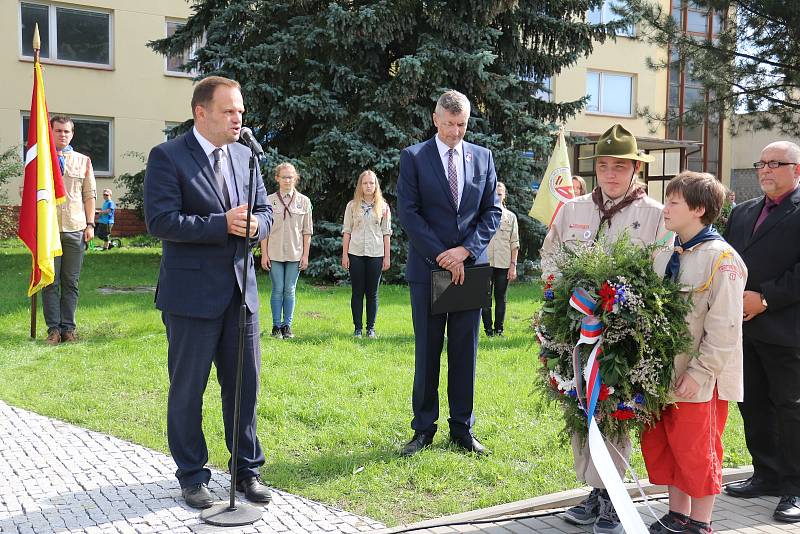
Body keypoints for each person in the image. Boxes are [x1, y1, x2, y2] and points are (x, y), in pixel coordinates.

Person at [143, 76, 273, 509]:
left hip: (242, 295)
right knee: (188, 389)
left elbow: (265, 210)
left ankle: (246, 471)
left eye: (240, 111)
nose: (238, 118)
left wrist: (259, 226)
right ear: (201, 112)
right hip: (191, 297)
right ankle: (193, 476)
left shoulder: (245, 157)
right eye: (229, 111)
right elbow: (160, 221)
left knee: (244, 388)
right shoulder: (168, 157)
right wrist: (223, 224)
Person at [540, 123, 670, 534]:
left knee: (614, 410)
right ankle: (597, 490)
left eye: (620, 166)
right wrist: (560, 297)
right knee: (580, 405)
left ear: (635, 169)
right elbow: (551, 257)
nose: (611, 174)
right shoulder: (573, 210)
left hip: (622, 336)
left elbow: (660, 274)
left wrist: (629, 312)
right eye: (604, 165)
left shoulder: (653, 215)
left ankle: (616, 496)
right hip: (573, 329)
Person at [396, 89, 501, 457]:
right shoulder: (414, 158)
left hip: (468, 271)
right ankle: (423, 429)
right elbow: (408, 213)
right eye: (450, 124)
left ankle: (463, 430)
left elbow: (492, 212)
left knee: (464, 353)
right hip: (428, 271)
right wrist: (443, 254)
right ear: (435, 119)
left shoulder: (483, 157)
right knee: (427, 353)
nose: (456, 132)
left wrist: (465, 251)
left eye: (462, 124)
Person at [645, 172, 747, 534]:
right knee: (669, 445)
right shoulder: (666, 251)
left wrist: (700, 373)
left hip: (699, 378)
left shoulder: (722, 260)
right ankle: (678, 515)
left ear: (699, 209)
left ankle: (701, 523)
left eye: (673, 202)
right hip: (664, 373)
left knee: (697, 450)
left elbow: (725, 330)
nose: (665, 207)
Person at [723, 141, 800, 523]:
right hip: (742, 330)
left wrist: (764, 299)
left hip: (787, 329)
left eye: (776, 163)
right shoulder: (741, 212)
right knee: (751, 403)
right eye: (761, 163)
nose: (766, 169)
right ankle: (766, 474)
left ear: (797, 170)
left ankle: (795, 488)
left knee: (791, 409)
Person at [42, 115, 96, 345]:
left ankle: (68, 329)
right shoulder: (42, 161)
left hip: (75, 227)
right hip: (49, 229)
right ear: (51, 132)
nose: (62, 135)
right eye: (58, 131)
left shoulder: (83, 161)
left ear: (72, 134)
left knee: (71, 282)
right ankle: (53, 330)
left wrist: (91, 224)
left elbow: (89, 195)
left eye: (66, 131)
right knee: (50, 282)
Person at [260, 162, 312, 340]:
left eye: (291, 177)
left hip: (295, 252)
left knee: (290, 289)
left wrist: (305, 255)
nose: (288, 180)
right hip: (274, 252)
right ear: (277, 179)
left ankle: (287, 326)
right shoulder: (269, 200)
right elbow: (264, 230)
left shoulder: (304, 201)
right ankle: (276, 326)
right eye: (284, 177)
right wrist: (264, 254)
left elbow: (307, 231)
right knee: (277, 289)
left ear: (295, 178)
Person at [341, 170, 392, 339]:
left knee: (372, 293)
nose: (368, 186)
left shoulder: (383, 207)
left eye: (372, 183)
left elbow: (386, 232)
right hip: (355, 253)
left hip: (376, 254)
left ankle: (370, 329)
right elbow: (347, 231)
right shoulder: (352, 206)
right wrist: (345, 255)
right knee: (357, 292)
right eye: (365, 183)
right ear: (360, 186)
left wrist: (386, 257)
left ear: (376, 185)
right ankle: (357, 329)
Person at [481, 181, 519, 337]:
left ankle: (499, 329)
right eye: (494, 193)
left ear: (504, 196)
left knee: (501, 298)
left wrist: (513, 266)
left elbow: (514, 243)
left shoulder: (510, 217)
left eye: (500, 193)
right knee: (484, 298)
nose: (497, 196)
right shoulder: (483, 215)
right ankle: (488, 330)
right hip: (485, 263)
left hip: (503, 264)